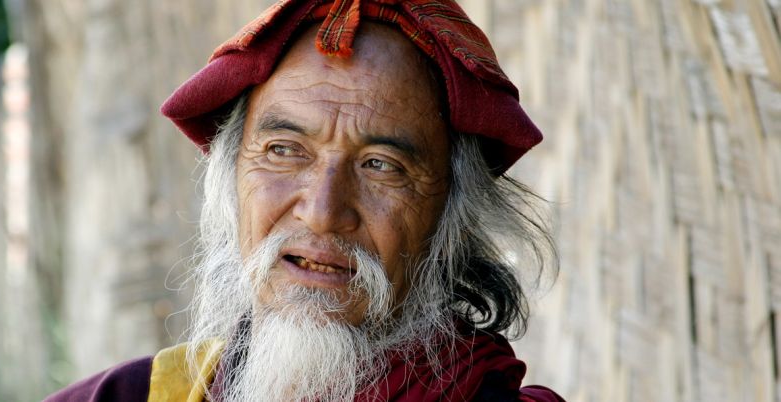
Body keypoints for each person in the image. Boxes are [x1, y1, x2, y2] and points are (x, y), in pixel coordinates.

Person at [45, 0, 564, 401]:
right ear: (230, 181)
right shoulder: (142, 395)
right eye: (283, 151)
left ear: (456, 217)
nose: (321, 211)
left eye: (381, 165)